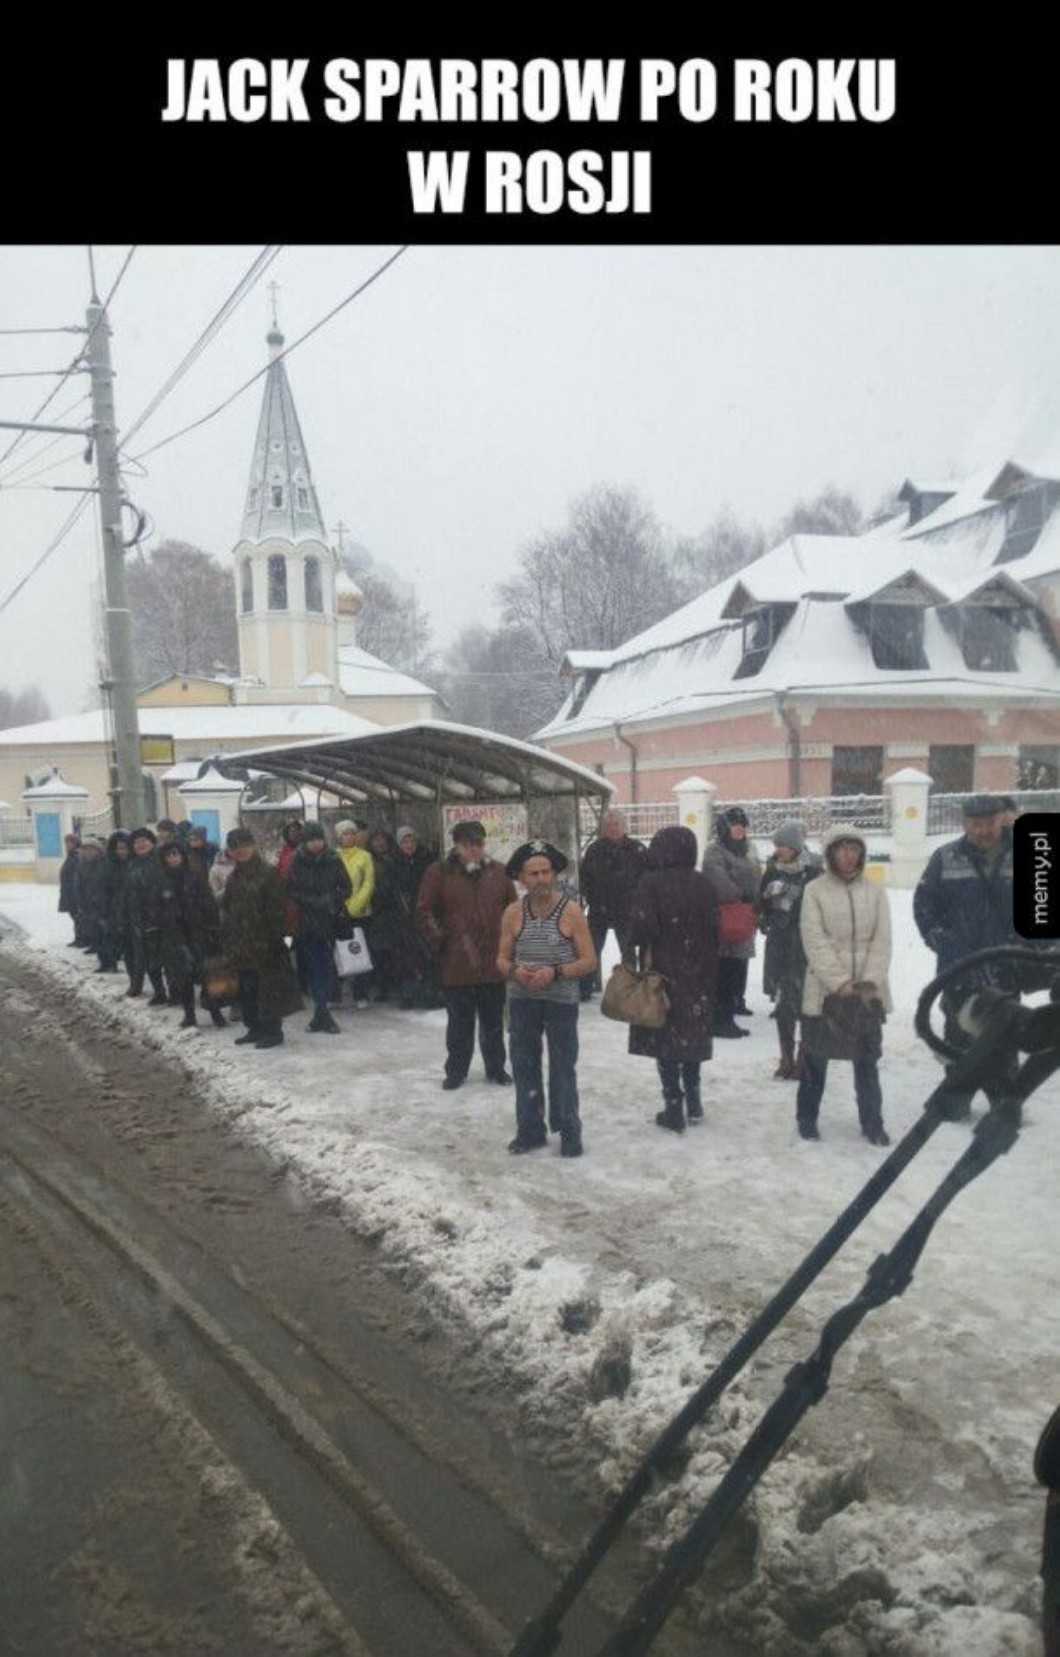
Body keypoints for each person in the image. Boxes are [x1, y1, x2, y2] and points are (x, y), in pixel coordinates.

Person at [913, 793, 1022, 1116]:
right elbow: (924, 904)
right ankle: (957, 1100)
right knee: (957, 1036)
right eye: (975, 823)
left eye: (989, 823)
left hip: (1006, 966)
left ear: (1001, 821)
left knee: (1004, 1036)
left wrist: (1027, 947)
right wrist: (940, 939)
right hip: (958, 967)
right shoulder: (945, 857)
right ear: (964, 824)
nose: (983, 830)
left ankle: (1003, 1103)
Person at [497, 841, 595, 1157]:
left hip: (561, 1002)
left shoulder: (571, 911)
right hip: (522, 1000)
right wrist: (514, 970)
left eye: (546, 872)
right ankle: (530, 1130)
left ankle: (569, 1130)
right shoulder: (513, 913)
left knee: (563, 1067)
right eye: (534, 873)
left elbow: (589, 960)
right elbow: (500, 959)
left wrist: (556, 972)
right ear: (522, 878)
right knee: (524, 1065)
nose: (541, 879)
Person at [797, 828, 892, 1145]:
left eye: (855, 848)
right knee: (816, 1059)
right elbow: (814, 941)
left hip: (867, 993)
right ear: (831, 853)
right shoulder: (814, 891)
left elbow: (882, 940)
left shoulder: (875, 891)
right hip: (825, 991)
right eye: (842, 848)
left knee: (867, 1062)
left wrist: (869, 981)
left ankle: (872, 1123)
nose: (849, 855)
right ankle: (807, 1118)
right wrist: (840, 982)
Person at [625, 825, 720, 1133]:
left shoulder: (651, 882)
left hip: (663, 973)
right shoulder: (704, 883)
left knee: (664, 1036)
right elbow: (715, 929)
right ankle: (694, 1099)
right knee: (691, 1035)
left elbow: (642, 929)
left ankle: (673, 1105)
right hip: (700, 972)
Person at [416, 820, 517, 1090]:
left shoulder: (499, 872)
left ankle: (496, 1068)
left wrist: (509, 946)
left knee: (493, 1023)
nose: (474, 849)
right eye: (467, 844)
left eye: (478, 843)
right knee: (459, 1024)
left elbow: (513, 912)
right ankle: (456, 1071)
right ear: (457, 846)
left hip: (493, 962)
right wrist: (441, 939)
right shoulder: (439, 872)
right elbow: (424, 911)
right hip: (457, 962)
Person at [219, 827, 301, 1049]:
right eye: (235, 847)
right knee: (248, 990)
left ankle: (273, 1031)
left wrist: (277, 939)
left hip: (266, 943)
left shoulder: (268, 873)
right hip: (242, 944)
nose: (241, 850)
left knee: (269, 990)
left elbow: (279, 909)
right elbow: (228, 908)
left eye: (245, 845)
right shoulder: (234, 878)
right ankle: (253, 1028)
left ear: (253, 846)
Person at [759, 821, 822, 1079]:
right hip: (778, 945)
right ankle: (785, 1057)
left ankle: (803, 1058)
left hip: (804, 946)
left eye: (783, 845)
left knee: (806, 1005)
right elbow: (761, 901)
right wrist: (765, 917)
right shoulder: (772, 871)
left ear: (795, 846)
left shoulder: (813, 872)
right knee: (784, 1005)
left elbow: (820, 908)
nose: (779, 850)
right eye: (777, 845)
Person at [286, 822, 352, 1034]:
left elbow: (346, 887)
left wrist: (331, 899)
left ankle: (322, 1011)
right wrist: (312, 901)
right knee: (315, 967)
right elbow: (290, 890)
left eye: (319, 839)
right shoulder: (297, 861)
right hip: (307, 921)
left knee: (326, 965)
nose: (316, 844)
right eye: (312, 840)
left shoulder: (333, 858)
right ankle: (321, 1011)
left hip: (329, 920)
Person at [701, 806, 761, 1037]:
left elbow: (756, 877)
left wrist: (756, 900)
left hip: (744, 916)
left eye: (743, 825)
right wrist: (739, 894)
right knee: (724, 968)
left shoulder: (748, 849)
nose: (740, 829)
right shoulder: (715, 851)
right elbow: (716, 878)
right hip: (726, 916)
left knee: (738, 966)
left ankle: (732, 1009)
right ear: (724, 828)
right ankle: (720, 1019)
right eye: (735, 825)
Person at [577, 809, 648, 1000]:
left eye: (616, 825)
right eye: (609, 825)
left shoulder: (637, 849)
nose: (613, 829)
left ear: (624, 827)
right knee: (591, 950)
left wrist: (638, 901)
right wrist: (591, 897)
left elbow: (646, 878)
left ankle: (630, 988)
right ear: (603, 828)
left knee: (628, 951)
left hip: (627, 910)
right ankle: (585, 989)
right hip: (599, 909)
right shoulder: (594, 850)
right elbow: (584, 878)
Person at [158, 840, 225, 1028]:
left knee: (207, 975)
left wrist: (213, 928)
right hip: (175, 936)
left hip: (198, 932)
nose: (172, 858)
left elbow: (209, 903)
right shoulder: (162, 881)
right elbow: (156, 907)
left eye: (175, 854)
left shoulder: (195, 877)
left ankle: (216, 1012)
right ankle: (189, 1014)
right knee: (183, 977)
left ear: (182, 856)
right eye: (169, 855)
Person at [382, 825, 434, 1008]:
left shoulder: (426, 859)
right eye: (404, 841)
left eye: (411, 840)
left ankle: (429, 995)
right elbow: (388, 889)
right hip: (400, 917)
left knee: (426, 956)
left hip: (424, 913)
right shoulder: (392, 862)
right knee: (404, 958)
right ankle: (408, 995)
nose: (409, 844)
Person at [335, 819, 376, 1010]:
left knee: (360, 952)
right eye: (346, 833)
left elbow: (368, 883)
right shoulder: (333, 856)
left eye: (353, 833)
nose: (350, 837)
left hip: (361, 913)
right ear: (339, 837)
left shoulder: (365, 856)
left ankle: (361, 992)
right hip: (338, 912)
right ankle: (336, 993)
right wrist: (340, 905)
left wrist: (354, 906)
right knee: (338, 953)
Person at [125, 826, 168, 1003]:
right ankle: (159, 992)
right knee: (147, 959)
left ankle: (176, 993)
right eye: (136, 842)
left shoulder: (161, 861)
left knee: (164, 959)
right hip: (138, 918)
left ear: (152, 843)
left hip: (160, 917)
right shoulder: (132, 864)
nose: (140, 845)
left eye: (144, 841)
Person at [98, 830, 131, 973]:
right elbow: (103, 889)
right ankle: (110, 963)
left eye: (125, 848)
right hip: (113, 908)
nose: (122, 852)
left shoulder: (134, 865)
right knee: (109, 936)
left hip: (131, 909)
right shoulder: (108, 865)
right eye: (119, 848)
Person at [58, 832, 82, 946]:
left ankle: (82, 938)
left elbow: (76, 875)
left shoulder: (76, 856)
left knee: (78, 916)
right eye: (66, 842)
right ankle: (79, 937)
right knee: (75, 916)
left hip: (74, 892)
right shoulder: (71, 856)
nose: (68, 845)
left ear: (76, 843)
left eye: (70, 842)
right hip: (68, 891)